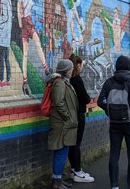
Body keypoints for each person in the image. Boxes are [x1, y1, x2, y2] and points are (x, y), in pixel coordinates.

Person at [98, 55, 130, 189]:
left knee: (114, 154)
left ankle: (114, 185)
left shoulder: (109, 82)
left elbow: (100, 101)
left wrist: (111, 111)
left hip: (115, 124)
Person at [15, 0, 52, 96]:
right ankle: (45, 69)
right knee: (35, 45)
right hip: (27, 21)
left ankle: (26, 81)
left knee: (28, 51)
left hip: (26, 22)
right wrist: (21, 23)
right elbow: (19, 7)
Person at [47, 59, 78, 189]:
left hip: (63, 122)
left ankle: (58, 179)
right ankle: (56, 182)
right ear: (66, 70)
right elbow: (59, 102)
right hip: (61, 123)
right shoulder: (59, 83)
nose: (72, 70)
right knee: (61, 151)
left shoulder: (63, 82)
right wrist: (68, 117)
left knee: (63, 151)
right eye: (70, 68)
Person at [67, 54, 94, 183]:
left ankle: (74, 170)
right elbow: (85, 98)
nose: (82, 66)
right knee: (76, 144)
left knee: (71, 144)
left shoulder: (66, 80)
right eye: (81, 64)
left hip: (69, 115)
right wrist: (88, 98)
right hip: (78, 114)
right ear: (77, 65)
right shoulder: (77, 79)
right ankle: (78, 171)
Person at [0, 0, 12, 88]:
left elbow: (5, 16)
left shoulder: (4, 1)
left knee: (2, 58)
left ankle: (2, 80)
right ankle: (8, 79)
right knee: (5, 58)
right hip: (7, 34)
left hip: (3, 34)